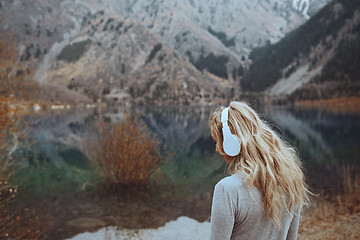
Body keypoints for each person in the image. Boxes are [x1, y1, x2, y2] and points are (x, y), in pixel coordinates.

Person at [208, 101, 309, 240]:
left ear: (232, 142)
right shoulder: (291, 180)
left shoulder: (227, 189)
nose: (217, 149)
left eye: (217, 141)